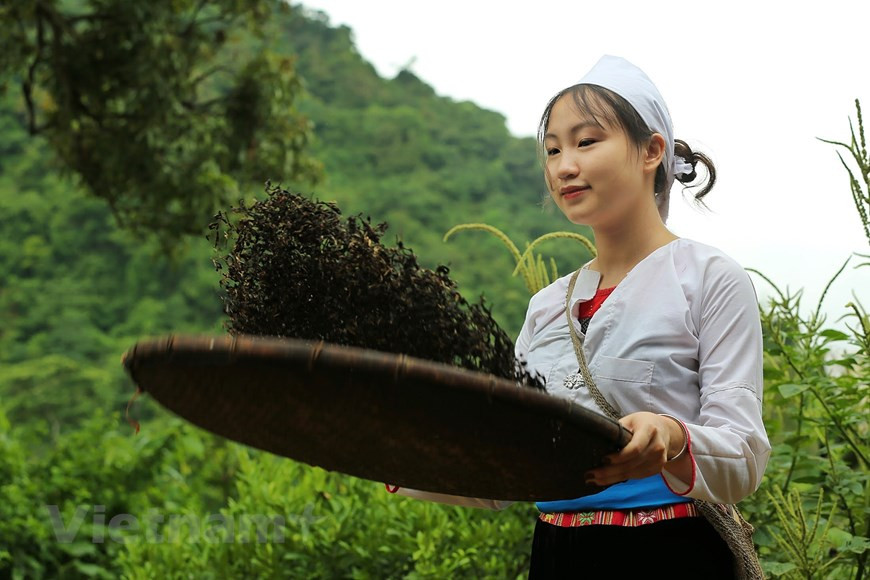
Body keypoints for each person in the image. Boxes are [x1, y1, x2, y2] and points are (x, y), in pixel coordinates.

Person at [388, 55, 770, 578]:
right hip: (556, 555)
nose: (563, 166)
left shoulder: (708, 278)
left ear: (651, 151)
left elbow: (744, 455)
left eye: (586, 142)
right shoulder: (547, 305)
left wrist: (672, 436)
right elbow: (507, 462)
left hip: (670, 553)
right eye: (552, 150)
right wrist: (390, 452)